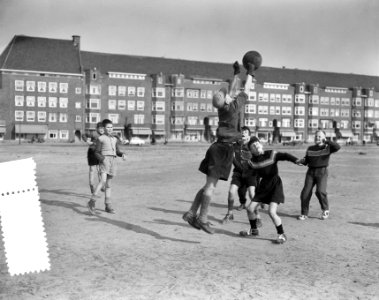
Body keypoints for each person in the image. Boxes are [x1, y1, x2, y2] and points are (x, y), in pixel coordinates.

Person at [182, 61, 255, 234]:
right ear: (227, 101)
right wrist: (250, 73)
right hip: (223, 150)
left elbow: (232, 91)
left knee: (208, 184)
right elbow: (246, 90)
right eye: (227, 95)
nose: (229, 94)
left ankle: (191, 212)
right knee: (211, 187)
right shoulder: (234, 108)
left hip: (216, 147)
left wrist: (236, 74)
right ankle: (202, 218)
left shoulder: (224, 108)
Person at [239, 136, 302, 244]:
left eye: (257, 143)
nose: (256, 145)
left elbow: (285, 156)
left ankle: (281, 235)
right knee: (250, 209)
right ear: (251, 151)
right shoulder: (251, 162)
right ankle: (254, 230)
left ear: (260, 143)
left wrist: (296, 160)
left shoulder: (271, 154)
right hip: (263, 186)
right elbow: (247, 175)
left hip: (275, 185)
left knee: (271, 212)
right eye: (253, 146)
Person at [221, 126, 262, 227]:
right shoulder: (234, 145)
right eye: (242, 132)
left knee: (252, 194)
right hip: (238, 173)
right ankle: (229, 214)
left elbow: (259, 152)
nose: (243, 134)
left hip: (250, 173)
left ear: (248, 135)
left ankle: (258, 216)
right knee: (231, 192)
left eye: (246, 132)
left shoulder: (252, 145)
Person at [298, 130, 341, 221]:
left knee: (320, 191)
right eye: (316, 136)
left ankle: (325, 209)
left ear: (324, 138)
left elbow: (337, 147)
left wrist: (327, 141)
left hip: (322, 172)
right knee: (305, 193)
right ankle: (304, 213)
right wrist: (302, 162)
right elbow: (306, 160)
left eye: (320, 136)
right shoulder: (310, 148)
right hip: (310, 172)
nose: (317, 138)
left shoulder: (327, 147)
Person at [87, 119, 126, 215]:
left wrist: (122, 154)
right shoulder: (101, 139)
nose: (110, 129)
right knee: (103, 181)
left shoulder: (114, 139)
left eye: (111, 127)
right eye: (108, 127)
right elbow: (96, 152)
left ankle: (108, 205)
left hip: (113, 161)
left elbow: (117, 151)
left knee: (108, 185)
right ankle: (92, 201)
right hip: (104, 161)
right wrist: (103, 159)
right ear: (103, 128)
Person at [86, 122, 105, 194]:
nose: (101, 129)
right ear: (97, 129)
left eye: (103, 128)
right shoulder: (93, 133)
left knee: (100, 170)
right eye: (100, 128)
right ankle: (91, 185)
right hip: (92, 152)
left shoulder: (105, 135)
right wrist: (90, 142)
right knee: (92, 170)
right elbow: (86, 138)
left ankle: (101, 186)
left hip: (99, 153)